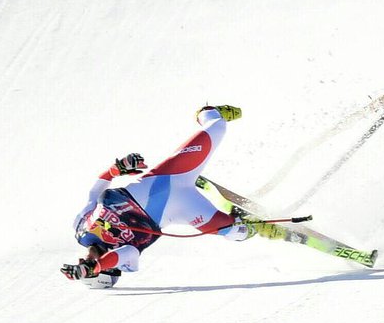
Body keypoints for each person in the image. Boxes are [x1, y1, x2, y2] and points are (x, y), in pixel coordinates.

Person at [61, 105, 285, 287]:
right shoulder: (126, 258)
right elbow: (121, 254)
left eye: (85, 266)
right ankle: (260, 227)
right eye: (92, 269)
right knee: (236, 232)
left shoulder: (80, 231)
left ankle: (206, 113)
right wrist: (96, 267)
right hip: (183, 207)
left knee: (217, 125)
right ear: (107, 270)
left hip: (166, 176)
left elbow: (94, 194)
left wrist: (115, 170)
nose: (86, 262)